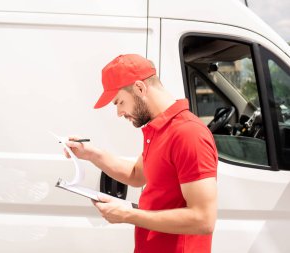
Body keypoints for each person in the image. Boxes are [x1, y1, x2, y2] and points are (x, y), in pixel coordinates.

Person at [64, 54, 218, 253]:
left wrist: (128, 215)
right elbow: (137, 174)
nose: (119, 113)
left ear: (139, 88)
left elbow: (203, 219)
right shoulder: (160, 130)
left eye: (120, 102)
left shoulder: (188, 133)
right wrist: (90, 154)